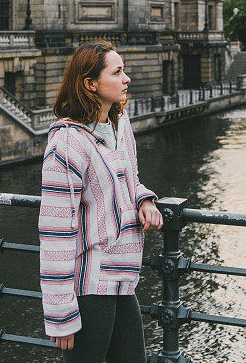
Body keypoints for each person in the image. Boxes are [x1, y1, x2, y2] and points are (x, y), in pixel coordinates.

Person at [38, 40, 163, 363]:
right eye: (117, 72)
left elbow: (130, 179)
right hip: (90, 285)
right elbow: (55, 230)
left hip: (122, 278)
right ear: (90, 84)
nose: (127, 79)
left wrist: (145, 199)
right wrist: (61, 313)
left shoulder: (119, 126)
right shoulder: (67, 143)